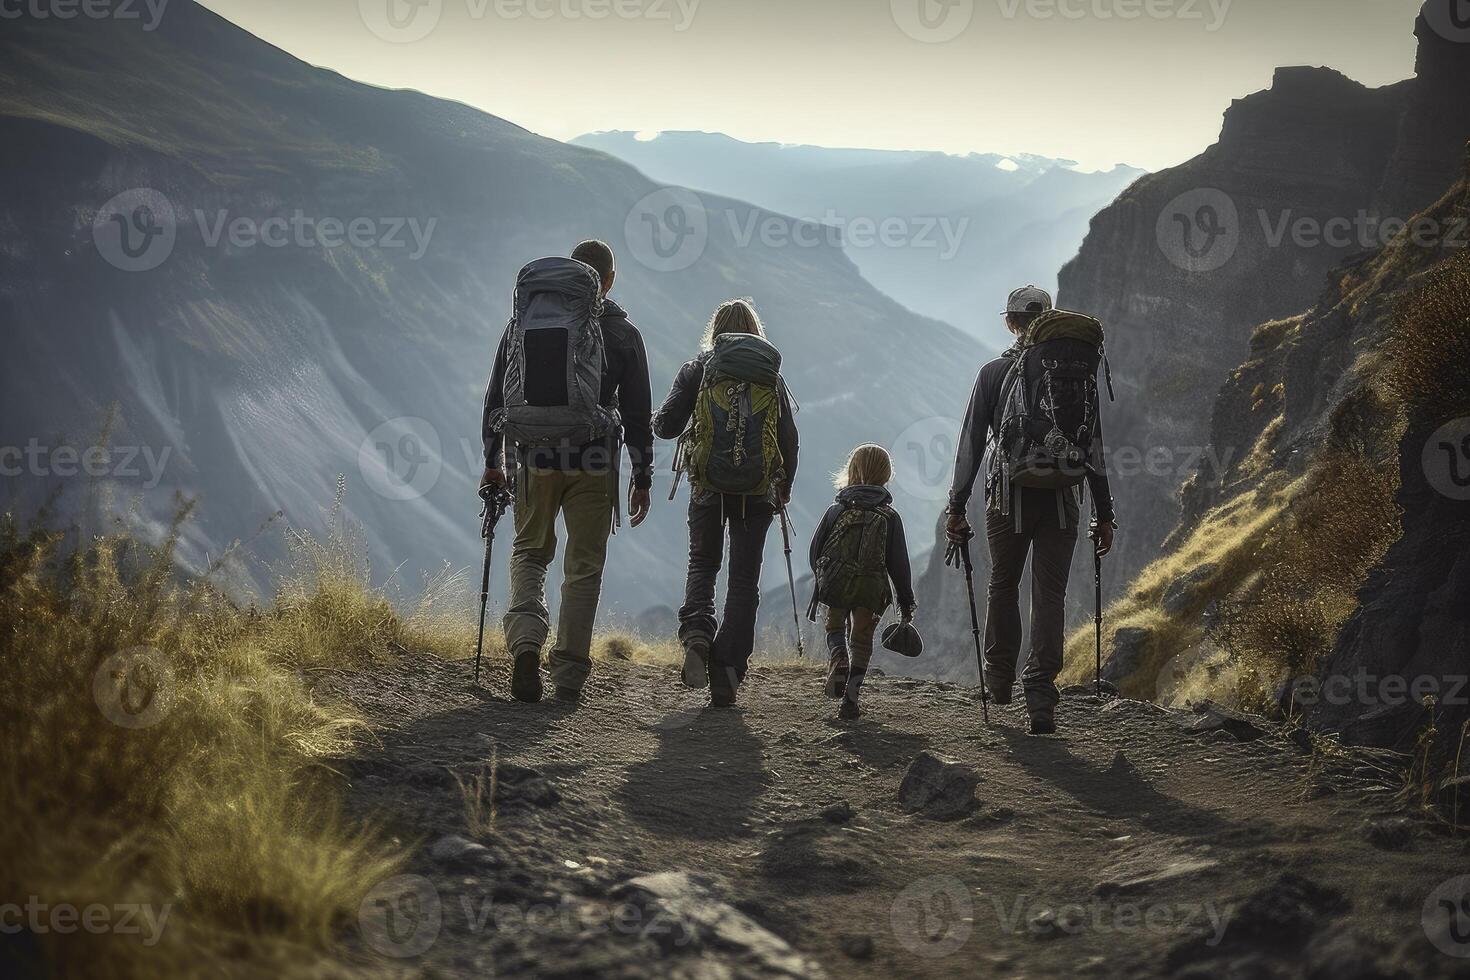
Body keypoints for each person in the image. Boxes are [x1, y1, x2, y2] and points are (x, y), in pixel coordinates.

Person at [481, 240, 654, 704]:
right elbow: (639, 413)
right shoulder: (621, 333)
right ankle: (570, 674)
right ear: (608, 281)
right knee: (583, 566)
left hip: (534, 456)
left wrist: (491, 462)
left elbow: (496, 394)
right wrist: (642, 476)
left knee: (530, 552)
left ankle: (525, 646)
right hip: (593, 461)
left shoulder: (523, 323)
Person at [945, 285, 1116, 735]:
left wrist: (956, 507)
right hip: (1063, 498)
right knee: (1050, 594)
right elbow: (1093, 445)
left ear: (1010, 322)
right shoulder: (1075, 375)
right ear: (1049, 319)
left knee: (1003, 583)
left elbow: (971, 445)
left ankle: (999, 680)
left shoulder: (994, 373)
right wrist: (1106, 513)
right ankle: (1040, 695)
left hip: (1009, 495)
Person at [653, 299, 798, 707]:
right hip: (758, 491)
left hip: (707, 488)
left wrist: (651, 417)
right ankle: (727, 675)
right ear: (755, 330)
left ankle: (698, 635)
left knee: (703, 563)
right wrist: (784, 485)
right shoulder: (770, 375)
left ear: (714, 330)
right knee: (744, 580)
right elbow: (788, 436)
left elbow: (666, 427)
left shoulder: (699, 368)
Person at [807, 444, 916, 720]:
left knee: (834, 626)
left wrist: (824, 580)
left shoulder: (836, 510)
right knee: (863, 641)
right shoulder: (890, 517)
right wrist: (905, 601)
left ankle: (838, 656)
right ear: (886, 475)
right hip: (872, 586)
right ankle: (851, 701)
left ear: (852, 471)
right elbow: (899, 564)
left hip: (836, 581)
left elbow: (815, 550)